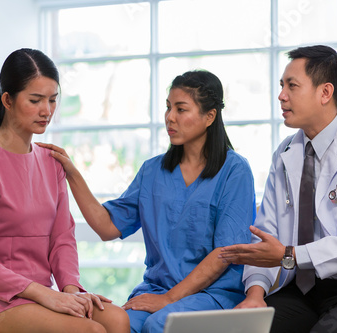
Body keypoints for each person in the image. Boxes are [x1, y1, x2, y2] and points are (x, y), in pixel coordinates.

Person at [37, 70, 256, 333]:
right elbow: (107, 227)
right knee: (116, 325)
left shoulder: (235, 171)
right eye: (168, 108)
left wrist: (170, 299)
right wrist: (72, 173)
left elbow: (225, 254)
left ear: (209, 116)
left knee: (159, 324)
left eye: (181, 109)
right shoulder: (153, 171)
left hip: (213, 294)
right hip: (157, 290)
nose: (169, 117)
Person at [218, 45, 337, 332]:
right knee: (246, 328)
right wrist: (256, 293)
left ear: (325, 93)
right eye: (282, 86)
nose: (282, 95)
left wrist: (291, 255)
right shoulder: (285, 155)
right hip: (303, 289)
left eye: (292, 86)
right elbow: (266, 234)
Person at [0, 48, 129, 333]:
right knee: (90, 331)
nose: (47, 111)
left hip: (39, 291)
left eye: (53, 100)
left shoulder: (52, 162)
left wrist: (69, 289)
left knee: (117, 319)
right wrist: (46, 295)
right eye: (35, 100)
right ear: (7, 100)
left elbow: (62, 238)